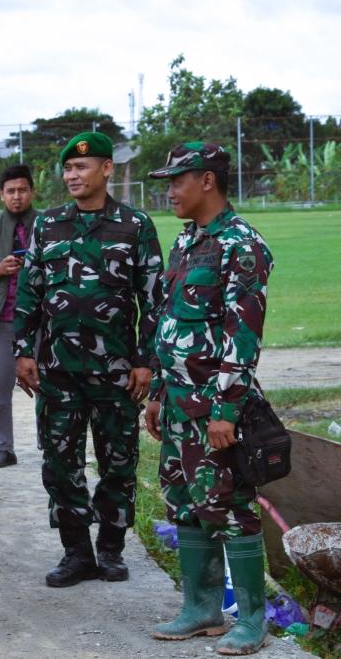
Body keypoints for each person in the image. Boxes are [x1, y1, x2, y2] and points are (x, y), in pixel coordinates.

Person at [14, 131, 163, 588]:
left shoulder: (134, 226)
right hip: (58, 372)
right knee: (60, 463)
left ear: (107, 169)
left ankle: (112, 550)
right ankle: (76, 552)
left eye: (82, 167)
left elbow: (152, 298)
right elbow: (30, 291)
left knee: (117, 461)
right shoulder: (49, 224)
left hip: (116, 373)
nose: (72, 175)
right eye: (68, 168)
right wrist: (23, 349)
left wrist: (145, 360)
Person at [144, 143, 273, 655]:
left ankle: (253, 619)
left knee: (232, 505)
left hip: (214, 408)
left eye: (178, 180)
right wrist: (156, 392)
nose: (170, 190)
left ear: (208, 182)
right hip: (176, 405)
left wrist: (225, 411)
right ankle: (201, 610)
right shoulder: (187, 242)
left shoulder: (241, 244)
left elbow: (242, 338)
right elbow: (169, 323)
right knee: (184, 501)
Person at [0, 164, 38, 469]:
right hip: (1, 320)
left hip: (41, 321)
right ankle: (3, 447)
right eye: (11, 191)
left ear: (32, 192)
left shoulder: (46, 223)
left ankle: (50, 442)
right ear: (2, 195)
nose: (17, 196)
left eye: (22, 190)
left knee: (47, 386)